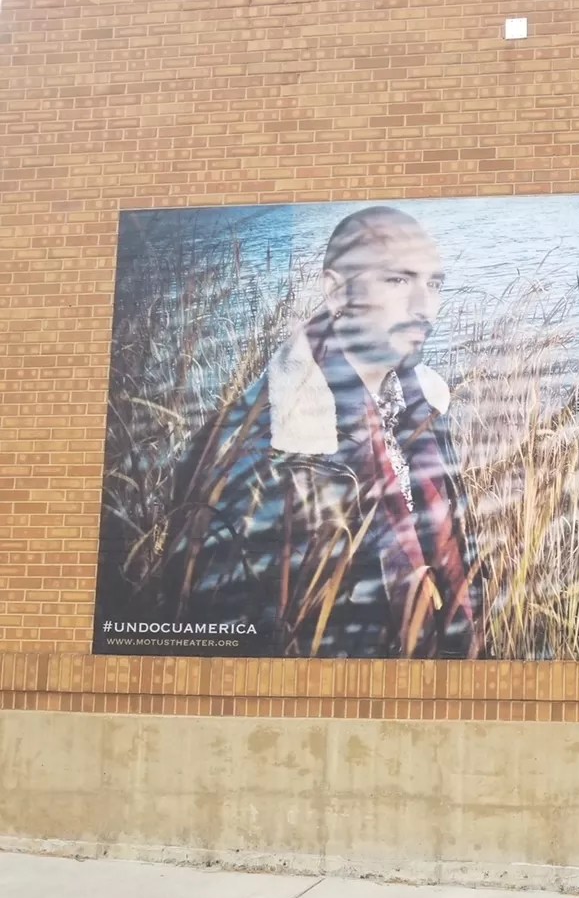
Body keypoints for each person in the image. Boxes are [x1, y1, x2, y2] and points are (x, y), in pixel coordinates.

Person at [161, 206, 481, 658]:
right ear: (336, 291)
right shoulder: (257, 445)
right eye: (397, 280)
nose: (423, 306)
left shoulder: (424, 405)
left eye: (434, 284)